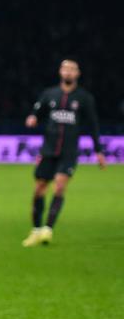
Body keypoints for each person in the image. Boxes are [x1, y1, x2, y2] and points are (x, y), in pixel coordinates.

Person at [22, 58, 106, 247]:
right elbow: (37, 111)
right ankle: (35, 230)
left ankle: (47, 230)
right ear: (60, 72)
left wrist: (98, 151)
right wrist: (33, 118)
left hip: (69, 152)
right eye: (65, 68)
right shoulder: (49, 94)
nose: (68, 72)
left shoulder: (85, 98)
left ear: (77, 74)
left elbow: (93, 125)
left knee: (59, 186)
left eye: (72, 69)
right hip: (48, 150)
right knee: (39, 189)